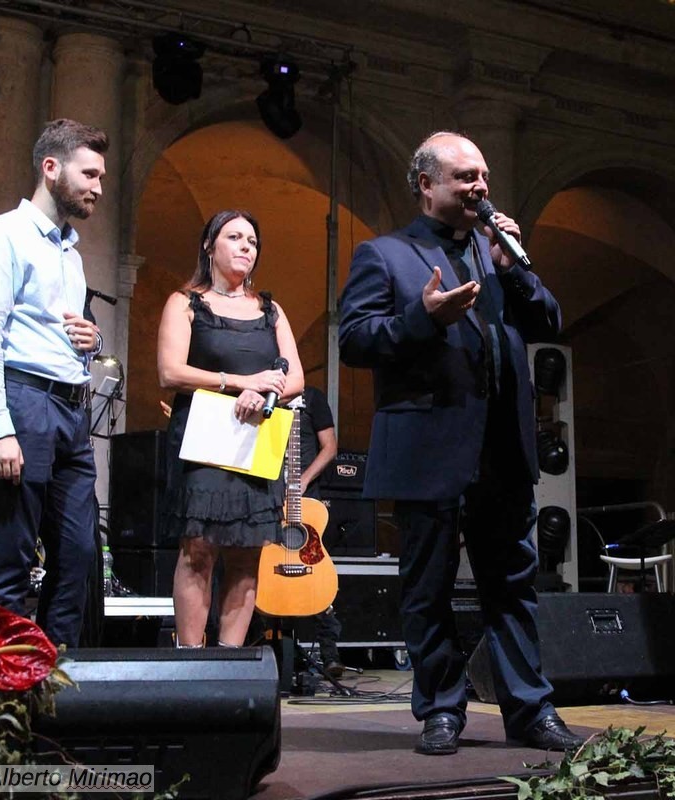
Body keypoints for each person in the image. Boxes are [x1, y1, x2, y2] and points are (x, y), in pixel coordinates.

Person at [338, 131, 583, 755]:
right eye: (465, 177)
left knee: (514, 585)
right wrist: (423, 319)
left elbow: (550, 321)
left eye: (483, 176)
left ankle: (530, 710)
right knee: (428, 588)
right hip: (428, 446)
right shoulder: (384, 255)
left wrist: (516, 270)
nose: (480, 187)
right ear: (426, 185)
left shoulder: (498, 249)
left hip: (501, 447)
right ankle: (442, 710)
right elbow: (356, 341)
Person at [0, 119, 108, 649]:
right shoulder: (2, 235)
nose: (97, 186)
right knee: (10, 560)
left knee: (78, 557)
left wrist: (86, 342)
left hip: (71, 410)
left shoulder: (71, 251)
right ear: (51, 168)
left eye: (101, 176)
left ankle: (49, 687)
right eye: (89, 173)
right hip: (23, 404)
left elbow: (49, 329)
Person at [157, 210, 303, 648]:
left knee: (247, 551)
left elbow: (295, 377)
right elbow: (170, 371)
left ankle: (229, 663)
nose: (246, 247)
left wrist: (266, 393)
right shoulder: (184, 303)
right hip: (203, 440)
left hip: (257, 438)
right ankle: (191, 662)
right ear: (209, 245)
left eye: (253, 241)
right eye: (235, 237)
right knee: (198, 548)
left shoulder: (270, 310)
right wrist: (240, 383)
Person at [289, 385, 345, 677]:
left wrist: (303, 480)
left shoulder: (311, 398)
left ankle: (329, 653)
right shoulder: (260, 395)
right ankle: (259, 645)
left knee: (316, 570)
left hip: (307, 500)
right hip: (269, 497)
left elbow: (330, 446)